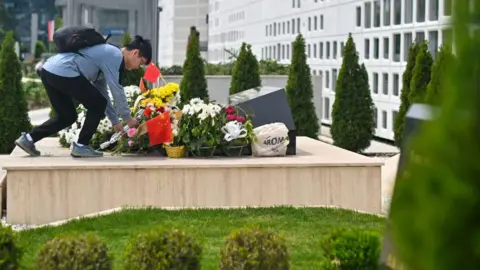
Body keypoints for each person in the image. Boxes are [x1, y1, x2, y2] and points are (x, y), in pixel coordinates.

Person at [15, 35, 152, 158]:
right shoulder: (114, 55)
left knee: (67, 116)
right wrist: (128, 118)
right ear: (135, 53)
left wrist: (115, 121)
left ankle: (29, 138)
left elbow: (103, 92)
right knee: (97, 104)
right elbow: (116, 90)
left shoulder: (107, 56)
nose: (136, 68)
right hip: (64, 71)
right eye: (140, 63)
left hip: (49, 71)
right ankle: (81, 145)